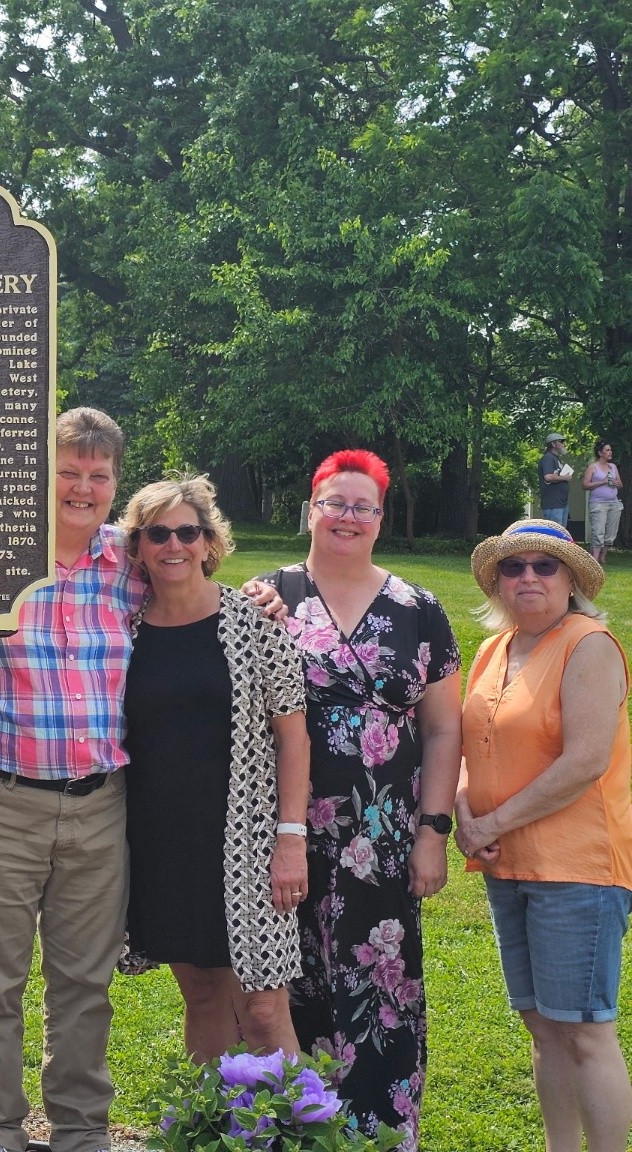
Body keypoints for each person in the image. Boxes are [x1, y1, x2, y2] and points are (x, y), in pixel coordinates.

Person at [0, 408, 284, 1152]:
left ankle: (79, 1132)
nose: (82, 487)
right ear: (39, 472)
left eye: (98, 476)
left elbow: (193, 595)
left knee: (83, 986)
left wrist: (258, 596)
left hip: (99, 806)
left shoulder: (130, 567)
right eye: (68, 471)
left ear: (114, 484)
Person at [262, 449, 461, 1152]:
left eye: (362, 506)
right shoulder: (268, 597)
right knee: (295, 982)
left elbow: (442, 729)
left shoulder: (418, 609)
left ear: (380, 519)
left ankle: (382, 1135)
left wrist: (432, 831)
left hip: (385, 839)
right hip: (287, 836)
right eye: (334, 502)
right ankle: (298, 1131)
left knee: (384, 982)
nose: (347, 516)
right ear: (310, 510)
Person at [116, 474, 310, 1062]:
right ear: (139, 547)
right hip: (162, 843)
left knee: (264, 1008)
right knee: (201, 995)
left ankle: (302, 1135)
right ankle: (214, 1131)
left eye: (187, 532)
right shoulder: (124, 630)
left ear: (209, 542)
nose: (173, 545)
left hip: (249, 844)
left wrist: (291, 838)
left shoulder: (255, 624)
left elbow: (293, 739)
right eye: (158, 533)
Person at [458, 518, 632, 1152]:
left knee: (585, 1029)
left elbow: (584, 762)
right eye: (514, 567)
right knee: (541, 1025)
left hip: (577, 867)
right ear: (499, 582)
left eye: (544, 566)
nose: (528, 576)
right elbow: (471, 744)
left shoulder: (589, 644)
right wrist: (463, 812)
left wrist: (491, 823)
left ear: (571, 579)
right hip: (510, 865)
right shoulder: (493, 651)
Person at [582, 439, 622, 564]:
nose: (610, 452)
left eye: (610, 450)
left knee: (610, 533)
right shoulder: (593, 467)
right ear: (600, 453)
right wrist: (602, 482)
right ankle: (594, 559)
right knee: (598, 531)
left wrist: (617, 483)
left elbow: (620, 484)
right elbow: (585, 485)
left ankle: (603, 557)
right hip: (598, 503)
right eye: (607, 450)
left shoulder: (613, 467)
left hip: (614, 503)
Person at [539, 432, 572, 527]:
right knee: (555, 534)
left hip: (561, 504)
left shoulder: (557, 459)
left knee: (561, 533)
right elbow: (548, 477)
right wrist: (565, 477)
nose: (563, 444)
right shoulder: (548, 458)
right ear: (553, 444)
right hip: (553, 504)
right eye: (561, 441)